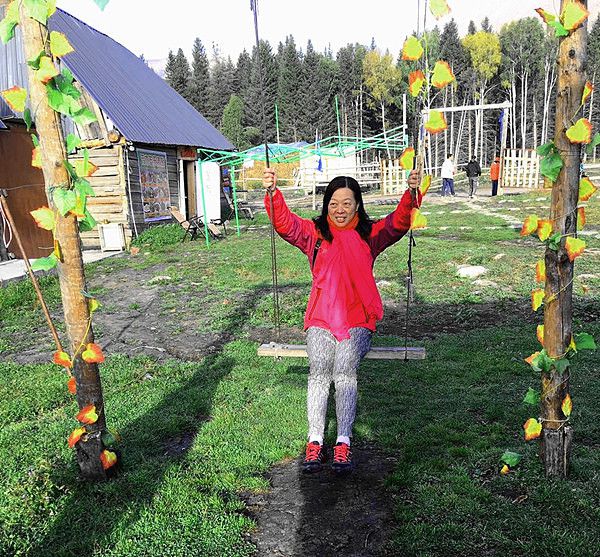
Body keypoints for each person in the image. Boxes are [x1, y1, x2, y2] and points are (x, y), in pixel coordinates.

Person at [263, 168, 421, 474]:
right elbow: (285, 224)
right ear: (326, 205)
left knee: (345, 369)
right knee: (320, 369)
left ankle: (343, 441)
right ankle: (315, 440)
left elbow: (398, 223)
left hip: (358, 319)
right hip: (321, 317)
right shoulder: (314, 234)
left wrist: (411, 194)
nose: (340, 209)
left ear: (357, 205)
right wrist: (272, 193)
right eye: (334, 203)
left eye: (347, 203)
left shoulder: (370, 235)